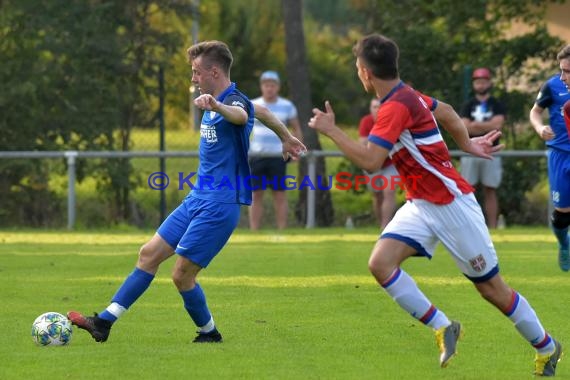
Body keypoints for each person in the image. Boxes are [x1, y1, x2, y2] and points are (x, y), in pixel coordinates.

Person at [308, 33, 562, 376]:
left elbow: (371, 160)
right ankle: (444, 327)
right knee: (381, 264)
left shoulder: (395, 106)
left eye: (357, 68)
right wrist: (467, 144)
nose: (358, 73)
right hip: (421, 204)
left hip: (451, 204)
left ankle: (547, 346)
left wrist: (332, 131)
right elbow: (447, 111)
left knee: (491, 289)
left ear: (366, 72)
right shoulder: (405, 94)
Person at [67, 41, 306, 344]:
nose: (193, 78)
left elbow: (242, 116)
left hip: (220, 204)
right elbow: (260, 111)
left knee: (182, 276)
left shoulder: (229, 101)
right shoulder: (232, 99)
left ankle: (209, 334)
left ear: (214, 71)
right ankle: (103, 322)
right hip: (197, 198)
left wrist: (217, 106)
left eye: (196, 72)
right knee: (148, 254)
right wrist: (286, 136)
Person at [529, 44, 570, 272]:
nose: (563, 76)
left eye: (568, 71)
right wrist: (538, 127)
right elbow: (535, 111)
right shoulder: (552, 86)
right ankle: (565, 244)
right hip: (560, 155)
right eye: (561, 70)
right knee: (562, 216)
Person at [248, 71, 302, 230]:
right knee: (255, 194)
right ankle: (254, 230)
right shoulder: (253, 104)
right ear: (261, 86)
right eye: (266, 85)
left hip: (279, 157)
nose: (269, 88)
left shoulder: (287, 106)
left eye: (272, 85)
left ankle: (282, 229)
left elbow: (296, 129)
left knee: (279, 194)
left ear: (277, 87)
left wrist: (296, 150)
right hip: (256, 156)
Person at [460, 67, 506, 228]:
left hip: (492, 151)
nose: (480, 85)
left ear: (489, 83)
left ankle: (492, 227)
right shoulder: (468, 105)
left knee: (490, 189)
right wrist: (486, 126)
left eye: (483, 81)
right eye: (477, 82)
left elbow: (498, 125)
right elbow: (464, 128)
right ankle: (469, 225)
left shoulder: (497, 104)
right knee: (467, 190)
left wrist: (475, 125)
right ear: (474, 84)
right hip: (470, 150)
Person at [359, 97, 397, 228]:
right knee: (377, 195)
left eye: (379, 106)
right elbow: (363, 143)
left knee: (389, 192)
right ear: (370, 109)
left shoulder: (391, 121)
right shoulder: (366, 122)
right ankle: (380, 222)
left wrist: (377, 146)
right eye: (374, 107)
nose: (377, 109)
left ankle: (385, 226)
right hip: (371, 163)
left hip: (390, 163)